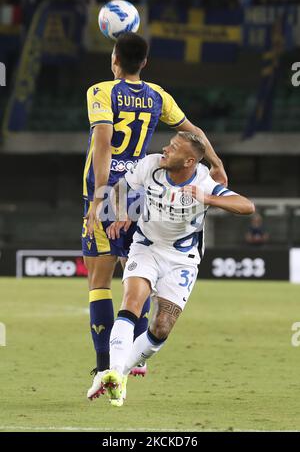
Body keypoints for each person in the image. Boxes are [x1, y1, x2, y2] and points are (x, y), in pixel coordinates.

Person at [82, 32, 227, 401]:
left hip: (113, 190)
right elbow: (194, 132)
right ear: (144, 62)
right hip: (142, 189)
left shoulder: (100, 92)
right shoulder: (157, 95)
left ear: (114, 59)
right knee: (137, 267)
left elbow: (102, 143)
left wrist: (100, 197)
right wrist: (217, 163)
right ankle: (133, 359)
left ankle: (105, 366)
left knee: (100, 279)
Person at [100, 131, 254, 406]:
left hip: (182, 258)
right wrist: (123, 214)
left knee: (161, 327)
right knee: (132, 301)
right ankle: (111, 372)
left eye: (173, 148)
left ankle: (118, 374)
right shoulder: (151, 165)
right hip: (146, 246)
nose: (165, 150)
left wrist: (208, 199)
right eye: (169, 145)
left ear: (189, 161)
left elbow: (246, 206)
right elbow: (119, 188)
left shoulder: (204, 182)